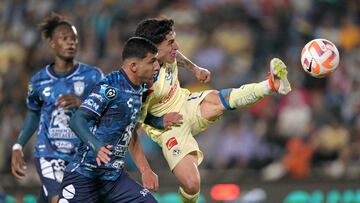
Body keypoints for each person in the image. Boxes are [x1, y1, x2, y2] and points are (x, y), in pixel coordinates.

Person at [135, 17, 292, 203]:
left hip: (184, 101)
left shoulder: (166, 54)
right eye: (170, 42)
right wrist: (162, 121)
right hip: (167, 126)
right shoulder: (139, 81)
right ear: (153, 48)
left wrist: (194, 68)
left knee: (219, 99)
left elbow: (175, 56)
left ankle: (271, 85)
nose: (176, 46)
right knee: (191, 184)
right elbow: (137, 118)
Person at [10, 13, 104, 203]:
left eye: (74, 39)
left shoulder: (93, 76)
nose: (71, 43)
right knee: (61, 200)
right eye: (64, 38)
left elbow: (109, 111)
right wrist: (18, 146)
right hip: (49, 153)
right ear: (52, 43)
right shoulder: (39, 80)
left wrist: (82, 103)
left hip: (81, 156)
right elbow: (33, 115)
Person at [57, 37, 162, 203]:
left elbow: (130, 131)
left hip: (115, 181)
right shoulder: (110, 87)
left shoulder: (139, 89)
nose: (157, 66)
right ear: (134, 66)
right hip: (85, 177)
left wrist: (145, 170)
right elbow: (77, 121)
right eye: (152, 61)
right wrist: (97, 146)